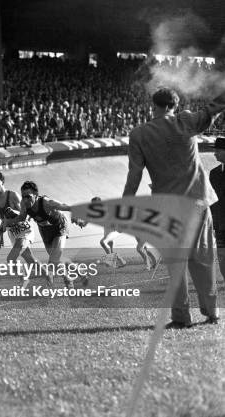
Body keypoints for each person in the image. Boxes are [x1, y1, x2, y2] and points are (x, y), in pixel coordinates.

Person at [123, 87, 224, 328]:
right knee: (203, 260)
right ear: (174, 106)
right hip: (198, 203)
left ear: (154, 105)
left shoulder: (139, 134)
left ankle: (180, 317)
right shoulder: (186, 121)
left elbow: (134, 174)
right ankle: (211, 312)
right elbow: (213, 109)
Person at [12, 181, 86, 288]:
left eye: (28, 196)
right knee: (56, 258)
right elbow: (21, 218)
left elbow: (65, 206)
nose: (26, 200)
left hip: (59, 226)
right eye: (23, 197)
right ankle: (79, 271)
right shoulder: (24, 204)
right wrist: (9, 221)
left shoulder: (46, 203)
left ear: (36, 195)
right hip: (45, 230)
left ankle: (68, 280)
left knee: (53, 260)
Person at [91, 197, 127, 268]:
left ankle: (110, 262)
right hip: (108, 231)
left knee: (102, 242)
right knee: (111, 250)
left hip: (110, 231)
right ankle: (122, 262)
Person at [209, 137, 225, 283]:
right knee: (221, 256)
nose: (215, 154)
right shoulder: (213, 174)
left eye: (218, 150)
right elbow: (212, 201)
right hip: (220, 224)